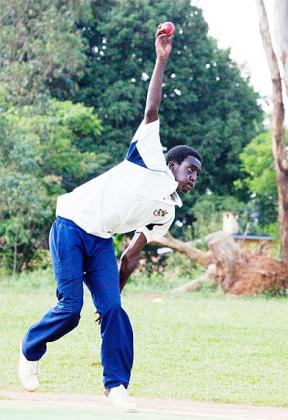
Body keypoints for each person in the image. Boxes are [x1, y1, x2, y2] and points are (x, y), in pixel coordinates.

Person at [19, 24, 202, 413]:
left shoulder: (166, 211)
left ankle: (116, 386)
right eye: (189, 169)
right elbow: (152, 108)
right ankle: (31, 349)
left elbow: (132, 255)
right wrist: (161, 59)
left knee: (115, 311)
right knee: (69, 310)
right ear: (173, 164)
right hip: (70, 224)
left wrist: (109, 299)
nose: (192, 177)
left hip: (101, 240)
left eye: (197, 174)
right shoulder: (150, 155)